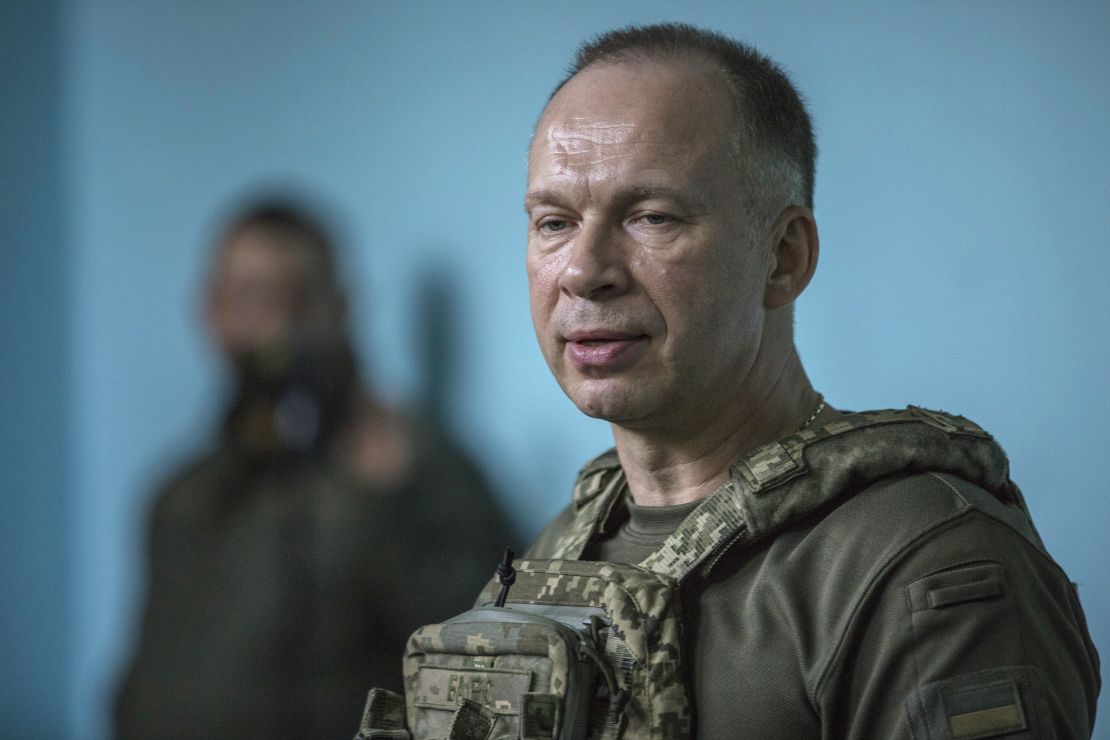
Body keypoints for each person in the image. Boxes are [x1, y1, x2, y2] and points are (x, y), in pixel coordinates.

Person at [515, 23, 1098, 738]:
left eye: (651, 216)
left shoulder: (921, 561)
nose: (582, 270)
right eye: (554, 222)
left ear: (784, 257)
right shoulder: (560, 550)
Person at [114, 201, 515, 740]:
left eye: (297, 298)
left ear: (341, 306)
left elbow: (491, 649)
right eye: (248, 298)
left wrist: (387, 505)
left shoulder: (414, 465)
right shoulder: (182, 497)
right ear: (211, 310)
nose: (275, 325)